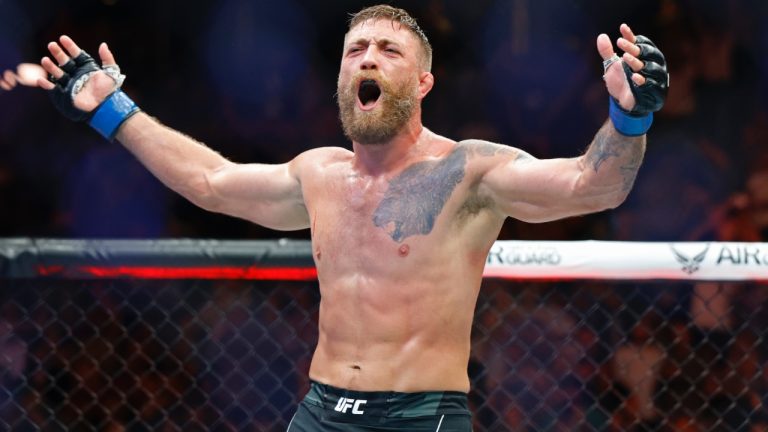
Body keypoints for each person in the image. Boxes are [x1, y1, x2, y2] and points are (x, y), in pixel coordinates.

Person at [2, 5, 668, 431]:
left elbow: (593, 184)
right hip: (320, 411)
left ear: (423, 83)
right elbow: (209, 181)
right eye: (356, 50)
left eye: (387, 49)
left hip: (419, 417)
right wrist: (112, 111)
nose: (368, 58)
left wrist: (629, 117)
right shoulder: (318, 173)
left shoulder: (469, 171)